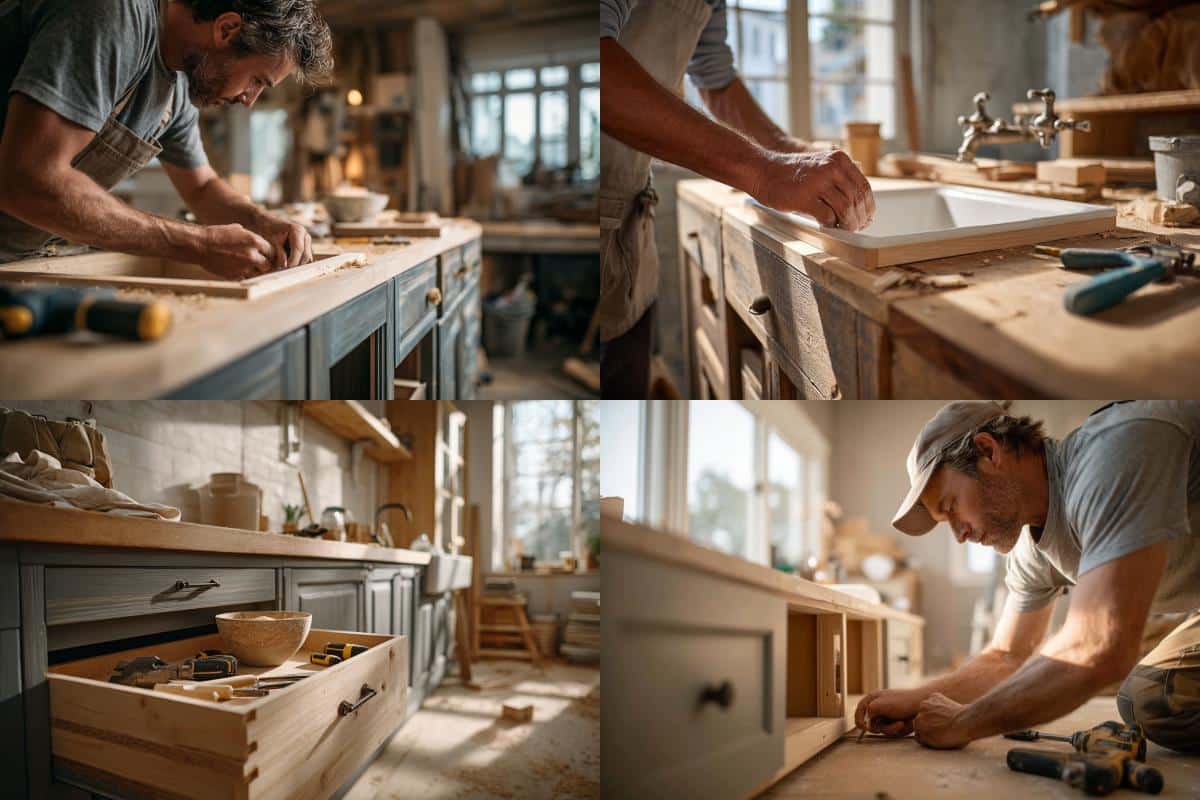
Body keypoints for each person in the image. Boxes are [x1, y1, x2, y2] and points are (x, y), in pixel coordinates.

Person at [858, 400, 1200, 753]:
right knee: (1153, 694)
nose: (959, 534)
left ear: (988, 451)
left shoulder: (1115, 452)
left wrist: (962, 723)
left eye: (951, 507)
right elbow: (1006, 656)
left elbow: (1100, 646)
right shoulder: (1032, 548)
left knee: (1154, 697)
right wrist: (917, 699)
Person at [599, 0, 876, 398]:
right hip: (601, 217)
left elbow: (715, 77)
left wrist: (788, 150)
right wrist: (765, 171)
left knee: (631, 368)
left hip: (630, 219)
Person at [0, 0, 333, 277]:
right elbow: (28, 178)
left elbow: (202, 189)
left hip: (21, 262)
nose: (249, 100)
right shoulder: (115, 13)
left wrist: (262, 222)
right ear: (226, 29)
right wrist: (197, 244)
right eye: (257, 80)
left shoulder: (176, 89)